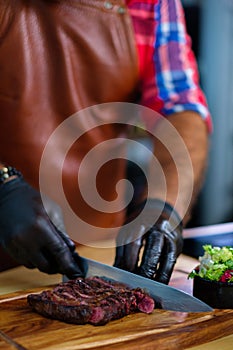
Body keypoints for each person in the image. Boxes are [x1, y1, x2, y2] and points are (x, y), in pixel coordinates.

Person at [0, 0, 211, 284]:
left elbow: (179, 108)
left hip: (98, 249)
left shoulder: (151, 4)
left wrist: (165, 205)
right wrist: (4, 188)